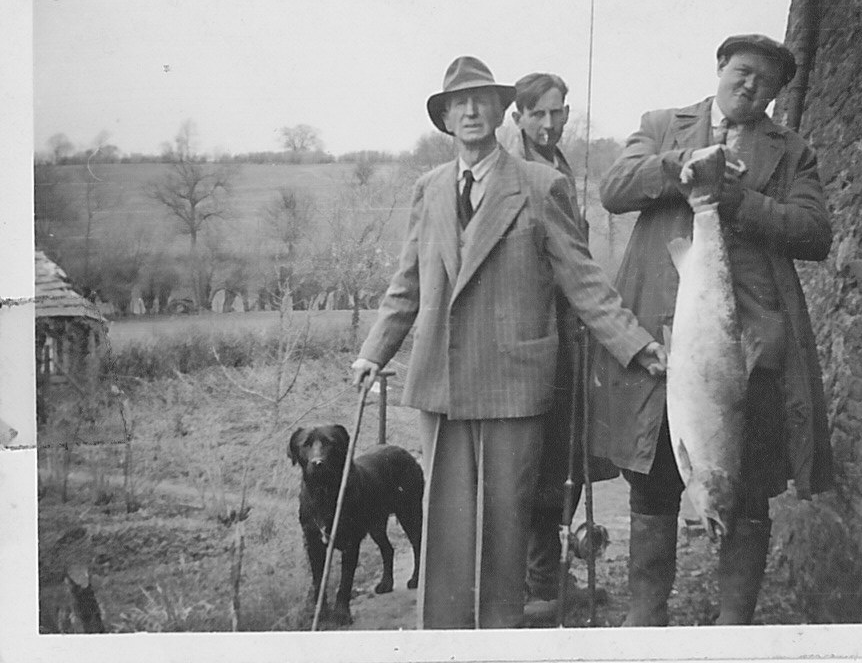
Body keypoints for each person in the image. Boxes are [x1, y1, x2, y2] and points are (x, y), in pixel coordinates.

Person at [350, 56, 666, 630]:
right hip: (440, 383)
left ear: (501, 112)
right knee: (444, 523)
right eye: (457, 103)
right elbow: (408, 284)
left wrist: (638, 346)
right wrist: (374, 351)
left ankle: (500, 635)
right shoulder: (429, 188)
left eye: (481, 100)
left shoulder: (542, 186)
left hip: (514, 384)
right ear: (445, 118)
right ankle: (444, 635)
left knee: (504, 524)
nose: (470, 111)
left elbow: (585, 280)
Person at [590, 34, 833, 626]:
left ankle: (733, 625)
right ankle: (646, 617)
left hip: (753, 350)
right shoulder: (660, 125)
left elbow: (813, 232)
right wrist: (680, 168)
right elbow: (614, 190)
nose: (750, 87)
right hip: (664, 341)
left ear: (776, 95)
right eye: (742, 72)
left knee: (747, 490)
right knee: (653, 480)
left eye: (766, 83)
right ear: (720, 69)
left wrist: (737, 198)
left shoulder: (792, 152)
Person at [508, 72, 615, 619]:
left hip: (570, 334)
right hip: (531, 336)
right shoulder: (516, 170)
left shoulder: (561, 168)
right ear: (518, 116)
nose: (551, 124)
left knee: (566, 456)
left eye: (560, 113)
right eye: (539, 114)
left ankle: (552, 579)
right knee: (538, 461)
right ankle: (534, 586)